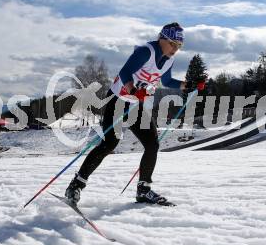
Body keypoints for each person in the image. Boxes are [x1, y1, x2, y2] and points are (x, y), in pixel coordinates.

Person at [65, 22, 205, 205]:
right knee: (109, 143)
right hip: (117, 100)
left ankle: (143, 190)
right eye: (173, 44)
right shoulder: (146, 52)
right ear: (162, 39)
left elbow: (168, 80)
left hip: (133, 104)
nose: (175, 49)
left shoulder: (168, 59)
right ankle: (75, 185)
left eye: (179, 46)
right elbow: (125, 72)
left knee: (152, 143)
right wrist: (132, 90)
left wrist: (189, 85)